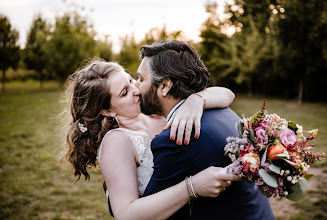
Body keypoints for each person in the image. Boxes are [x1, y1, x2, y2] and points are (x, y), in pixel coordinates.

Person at [65, 59, 240, 220]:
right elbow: (126, 214)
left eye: (131, 80)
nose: (136, 90)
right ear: (107, 111)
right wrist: (192, 187)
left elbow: (227, 94)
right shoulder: (117, 141)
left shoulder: (154, 111)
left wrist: (196, 100)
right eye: (125, 93)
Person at [137, 40, 276, 219]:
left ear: (165, 86)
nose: (136, 86)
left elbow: (149, 212)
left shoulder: (176, 137)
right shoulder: (221, 110)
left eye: (141, 79)